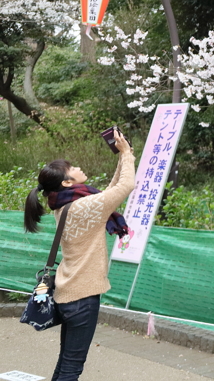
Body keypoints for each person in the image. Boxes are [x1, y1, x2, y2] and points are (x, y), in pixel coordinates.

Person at [23, 129, 136, 381]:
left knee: (66, 363)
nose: (77, 167)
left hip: (69, 293)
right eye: (72, 168)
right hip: (82, 297)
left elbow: (111, 191)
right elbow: (125, 186)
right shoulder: (84, 206)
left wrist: (123, 156)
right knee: (72, 367)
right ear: (66, 182)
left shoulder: (68, 205)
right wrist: (127, 155)